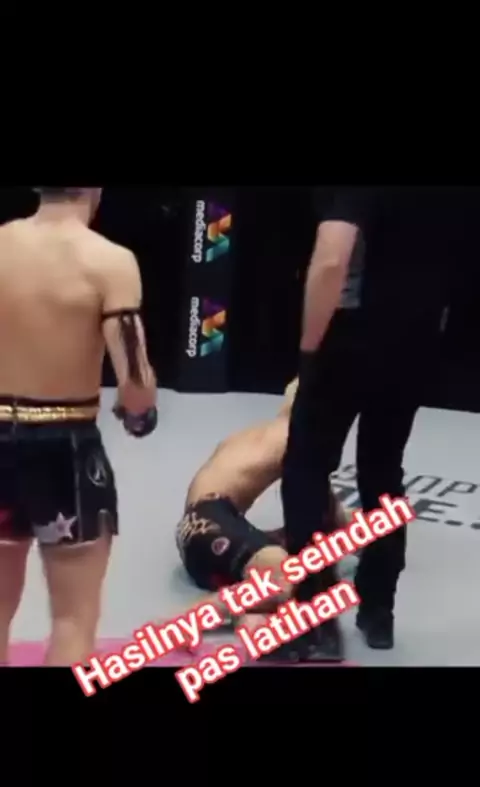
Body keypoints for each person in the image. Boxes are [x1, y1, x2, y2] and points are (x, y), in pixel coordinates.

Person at [281, 186, 480, 658]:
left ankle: (313, 616)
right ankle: (378, 609)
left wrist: (308, 350)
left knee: (307, 467)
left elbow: (332, 257)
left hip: (347, 338)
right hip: (414, 340)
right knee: (383, 470)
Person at [0, 187, 157, 666]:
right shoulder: (110, 261)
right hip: (65, 449)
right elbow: (135, 383)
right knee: (73, 619)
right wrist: (138, 413)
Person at [175, 378, 350, 656]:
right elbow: (328, 513)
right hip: (212, 525)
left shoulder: (254, 433)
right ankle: (188, 620)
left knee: (277, 564)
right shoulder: (295, 440)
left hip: (198, 530)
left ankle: (251, 620)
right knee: (293, 580)